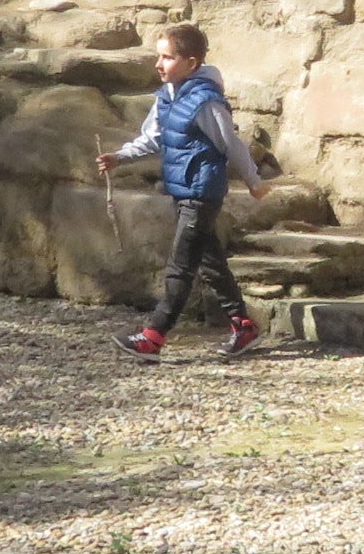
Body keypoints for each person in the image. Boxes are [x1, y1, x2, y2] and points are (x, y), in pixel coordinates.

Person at [95, 22, 264, 360]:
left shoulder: (206, 102)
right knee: (211, 261)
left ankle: (153, 337)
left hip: (201, 192)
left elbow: (231, 144)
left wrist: (253, 181)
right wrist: (119, 157)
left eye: (168, 58)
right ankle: (244, 327)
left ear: (192, 63)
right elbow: (153, 137)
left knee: (180, 265)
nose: (159, 65)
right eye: (159, 57)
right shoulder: (167, 97)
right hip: (181, 189)